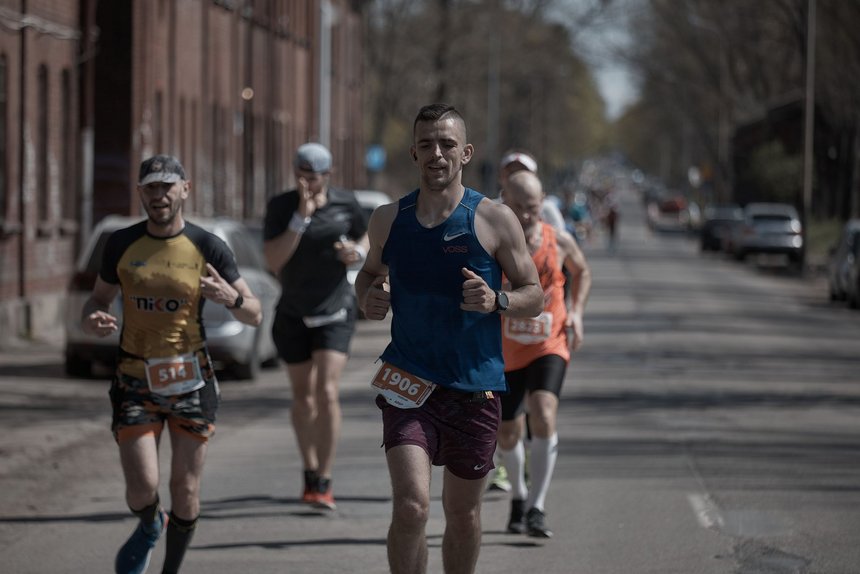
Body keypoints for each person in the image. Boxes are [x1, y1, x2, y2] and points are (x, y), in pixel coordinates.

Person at [354, 103, 543, 574]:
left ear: (466, 153)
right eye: (426, 145)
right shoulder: (388, 219)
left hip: (474, 389)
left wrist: (497, 301)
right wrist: (368, 298)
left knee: (463, 515)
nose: (436, 153)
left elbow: (534, 294)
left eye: (447, 144)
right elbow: (368, 274)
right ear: (414, 153)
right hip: (408, 383)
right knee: (412, 507)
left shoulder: (495, 219)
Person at [81, 154, 263, 574]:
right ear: (140, 193)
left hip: (191, 380)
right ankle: (149, 524)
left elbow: (254, 313)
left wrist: (232, 298)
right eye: (151, 188)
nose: (159, 195)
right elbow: (96, 300)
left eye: (167, 186)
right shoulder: (121, 244)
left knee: (185, 488)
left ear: (185, 189)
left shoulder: (207, 246)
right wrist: (92, 318)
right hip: (134, 379)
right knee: (141, 488)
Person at [263, 142, 369, 510]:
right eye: (303, 175)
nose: (309, 182)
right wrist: (300, 218)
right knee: (303, 398)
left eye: (317, 176)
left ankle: (324, 478)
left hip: (335, 310)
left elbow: (366, 234)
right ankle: (309, 469)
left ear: (328, 175)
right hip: (293, 311)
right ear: (295, 174)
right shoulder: (281, 207)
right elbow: (274, 260)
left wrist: (357, 251)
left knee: (326, 391)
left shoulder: (345, 203)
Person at [497, 170, 591, 538]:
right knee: (507, 432)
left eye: (532, 207)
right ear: (504, 201)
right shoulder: (492, 242)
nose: (525, 215)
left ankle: (537, 506)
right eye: (517, 207)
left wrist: (577, 312)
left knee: (544, 412)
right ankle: (519, 497)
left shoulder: (559, 240)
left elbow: (582, 271)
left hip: (548, 342)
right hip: (505, 348)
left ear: (543, 203)